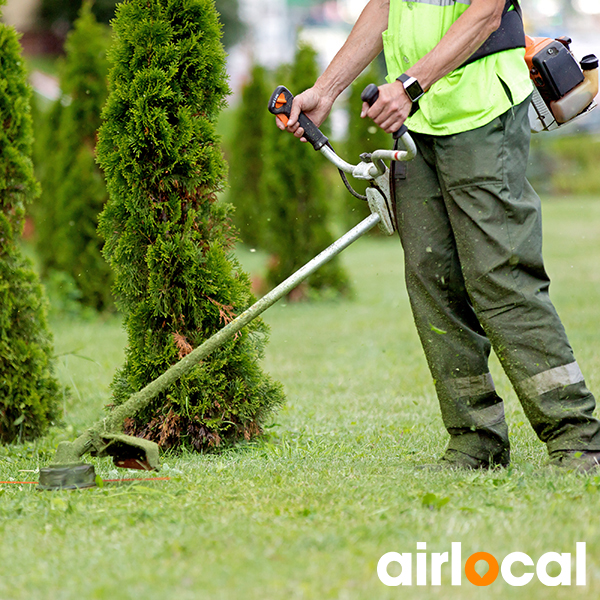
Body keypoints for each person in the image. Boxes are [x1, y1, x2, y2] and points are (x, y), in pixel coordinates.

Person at [277, 0, 600, 471]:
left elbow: (487, 13)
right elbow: (386, 7)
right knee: (433, 279)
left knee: (501, 277)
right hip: (417, 124)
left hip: (481, 113)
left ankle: (577, 439)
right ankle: (476, 440)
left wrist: (408, 86)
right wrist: (327, 90)